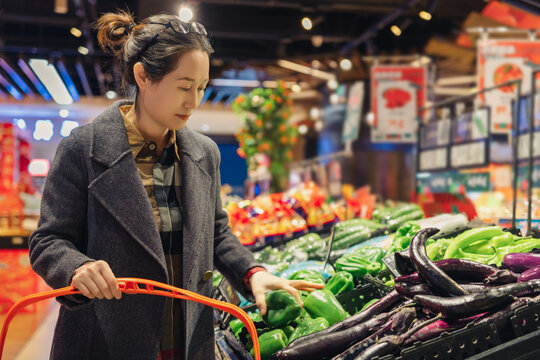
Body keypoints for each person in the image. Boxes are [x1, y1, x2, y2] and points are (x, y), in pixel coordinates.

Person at [29, 10, 322, 360]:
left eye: (201, 87)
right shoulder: (83, 149)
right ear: (142, 76)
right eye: (184, 86)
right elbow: (48, 240)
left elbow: (215, 232)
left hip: (187, 340)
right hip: (106, 340)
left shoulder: (204, 153)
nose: (194, 101)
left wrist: (253, 273)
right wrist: (76, 268)